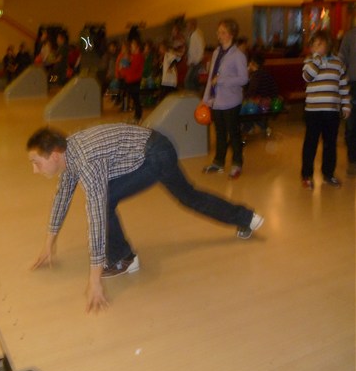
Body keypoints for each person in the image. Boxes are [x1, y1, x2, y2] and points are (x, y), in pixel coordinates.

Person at [27, 124, 265, 313]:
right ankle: (247, 218)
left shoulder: (86, 161)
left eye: (36, 163)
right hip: (149, 148)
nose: (35, 170)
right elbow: (62, 197)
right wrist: (49, 244)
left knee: (187, 197)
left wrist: (94, 280)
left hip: (155, 154)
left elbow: (96, 216)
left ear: (55, 155)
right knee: (181, 196)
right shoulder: (69, 154)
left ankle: (125, 259)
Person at [301, 30, 351, 189]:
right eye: (313, 45)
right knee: (311, 143)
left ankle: (328, 174)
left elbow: (343, 86)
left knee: (330, 144)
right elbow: (307, 77)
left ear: (328, 45)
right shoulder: (310, 61)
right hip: (313, 111)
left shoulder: (338, 63)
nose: (315, 48)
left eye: (319, 45)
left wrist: (346, 104)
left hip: (331, 111)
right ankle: (306, 175)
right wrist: (317, 59)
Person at [202, 19, 248, 179]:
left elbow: (243, 79)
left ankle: (237, 163)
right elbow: (211, 77)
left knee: (233, 134)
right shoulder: (216, 52)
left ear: (231, 34)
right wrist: (206, 98)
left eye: (222, 32)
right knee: (220, 133)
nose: (218, 35)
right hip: (217, 101)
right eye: (218, 32)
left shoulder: (238, 55)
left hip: (231, 101)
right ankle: (218, 162)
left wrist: (222, 80)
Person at [339, 24, 356, 176]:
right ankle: (352, 160)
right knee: (351, 125)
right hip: (353, 84)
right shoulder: (350, 36)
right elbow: (341, 59)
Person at [120, 38, 144, 123]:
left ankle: (138, 116)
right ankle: (136, 116)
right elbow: (125, 67)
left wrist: (124, 68)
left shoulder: (139, 57)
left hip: (135, 81)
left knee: (136, 100)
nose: (131, 47)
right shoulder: (133, 56)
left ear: (137, 47)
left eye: (133, 45)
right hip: (130, 80)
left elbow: (132, 69)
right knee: (134, 99)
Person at [184, 18, 205, 92]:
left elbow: (201, 48)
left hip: (195, 63)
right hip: (194, 62)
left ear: (192, 25)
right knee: (193, 81)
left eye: (188, 25)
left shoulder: (196, 35)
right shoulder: (193, 35)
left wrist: (196, 61)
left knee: (188, 82)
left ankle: (193, 96)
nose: (187, 27)